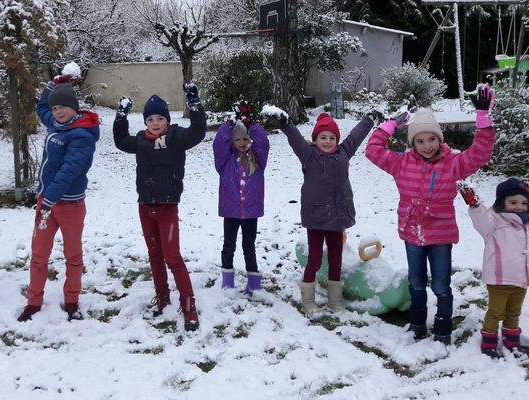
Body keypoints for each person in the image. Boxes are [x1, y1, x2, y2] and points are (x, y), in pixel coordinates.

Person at [365, 84, 497, 344]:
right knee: (416, 283)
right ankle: (417, 324)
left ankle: (443, 328)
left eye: (432, 139)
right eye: (420, 140)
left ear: (440, 139)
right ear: (413, 142)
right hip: (411, 234)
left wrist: (482, 120)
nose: (426, 145)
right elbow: (373, 151)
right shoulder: (401, 163)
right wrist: (389, 125)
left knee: (441, 286)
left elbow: (480, 154)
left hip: (440, 234)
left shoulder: (453, 165)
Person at [112, 84, 206, 331]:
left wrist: (195, 104)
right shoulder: (142, 141)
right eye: (150, 118)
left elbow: (198, 132)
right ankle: (162, 296)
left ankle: (189, 306)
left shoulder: (177, 138)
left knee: (172, 257)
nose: (155, 123)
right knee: (155, 256)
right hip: (145, 206)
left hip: (167, 208)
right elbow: (121, 141)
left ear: (167, 119)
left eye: (160, 118)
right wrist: (121, 116)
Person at [266, 108, 374, 317]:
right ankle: (308, 301)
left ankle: (335, 301)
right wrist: (286, 124)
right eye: (322, 137)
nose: (327, 141)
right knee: (314, 260)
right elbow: (296, 139)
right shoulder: (309, 155)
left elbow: (356, 136)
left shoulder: (343, 153)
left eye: (332, 137)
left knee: (336, 259)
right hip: (316, 218)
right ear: (315, 139)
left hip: (338, 217)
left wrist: (368, 120)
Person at [17, 74, 100, 322]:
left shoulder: (82, 135)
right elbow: (41, 107)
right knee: (39, 255)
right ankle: (34, 301)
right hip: (47, 202)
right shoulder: (56, 124)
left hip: (70, 204)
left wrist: (49, 198)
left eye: (62, 106)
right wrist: (53, 85)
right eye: (55, 108)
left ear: (73, 107)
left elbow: (69, 170)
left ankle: (72, 300)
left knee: (73, 256)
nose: (57, 111)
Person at [460, 178, 529, 358]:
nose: (519, 207)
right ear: (502, 202)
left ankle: (511, 340)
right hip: (499, 278)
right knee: (496, 312)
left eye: (524, 203)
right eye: (513, 202)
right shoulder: (494, 222)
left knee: (514, 312)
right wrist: (475, 205)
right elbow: (481, 218)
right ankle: (489, 341)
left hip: (522, 279)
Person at [213, 101, 269, 297]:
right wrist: (230, 124)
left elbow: (262, 141)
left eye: (246, 139)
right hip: (231, 212)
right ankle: (227, 282)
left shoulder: (258, 160)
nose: (242, 142)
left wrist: (250, 123)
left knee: (249, 247)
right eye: (238, 139)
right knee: (229, 246)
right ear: (232, 142)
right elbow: (219, 142)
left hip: (251, 213)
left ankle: (253, 283)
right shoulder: (225, 161)